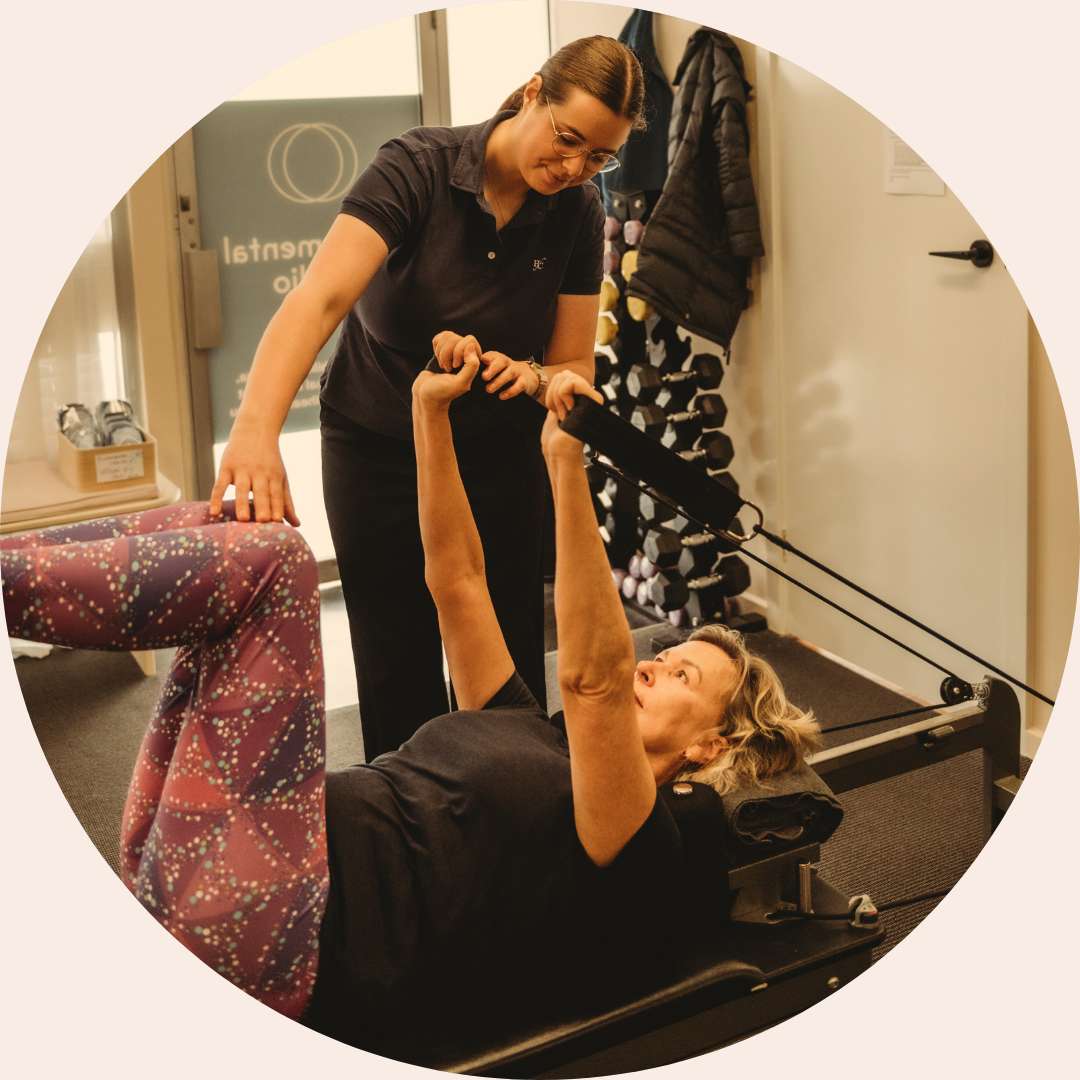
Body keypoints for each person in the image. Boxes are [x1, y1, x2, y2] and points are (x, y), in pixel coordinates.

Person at [2, 369, 819, 1025]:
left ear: (712, 746)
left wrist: (565, 466)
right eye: (666, 653)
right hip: (204, 853)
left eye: (684, 676)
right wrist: (429, 413)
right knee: (233, 526)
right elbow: (456, 579)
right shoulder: (520, 724)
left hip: (282, 921)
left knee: (278, 563)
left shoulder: (639, 838)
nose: (654, 665)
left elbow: (596, 676)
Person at [209, 36, 648, 761]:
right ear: (532, 93)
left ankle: (509, 834)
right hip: (378, 442)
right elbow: (317, 302)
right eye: (569, 139)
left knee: (502, 661)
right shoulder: (416, 168)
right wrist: (255, 432)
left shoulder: (574, 208)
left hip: (496, 453)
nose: (575, 168)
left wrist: (533, 377)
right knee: (395, 659)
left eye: (599, 157)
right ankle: (408, 841)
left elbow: (572, 362)